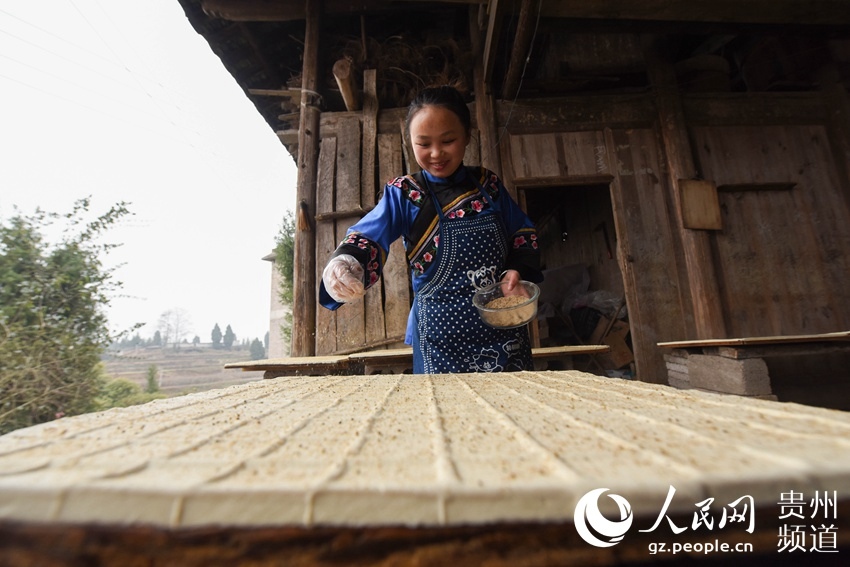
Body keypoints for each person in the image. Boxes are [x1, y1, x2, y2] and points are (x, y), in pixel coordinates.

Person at [320, 85, 542, 373]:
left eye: (448, 140)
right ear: (410, 142)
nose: (436, 153)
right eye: (424, 144)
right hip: (440, 342)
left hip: (504, 332)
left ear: (467, 136)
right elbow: (368, 236)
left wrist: (517, 271)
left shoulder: (489, 186)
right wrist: (345, 263)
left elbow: (523, 234)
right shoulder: (404, 194)